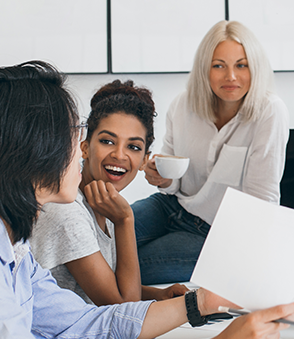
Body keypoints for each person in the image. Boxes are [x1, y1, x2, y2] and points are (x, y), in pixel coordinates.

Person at [0, 60, 294, 338]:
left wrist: (196, 305)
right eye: (76, 134)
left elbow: (82, 323)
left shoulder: (8, 248)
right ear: (28, 150)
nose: (81, 148)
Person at [133, 20, 290, 284]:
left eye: (241, 65)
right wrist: (163, 178)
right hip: (171, 206)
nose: (231, 76)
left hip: (216, 234)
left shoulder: (269, 112)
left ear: (255, 67)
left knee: (129, 266)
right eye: (219, 66)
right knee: (102, 237)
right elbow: (173, 182)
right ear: (205, 68)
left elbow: (261, 202)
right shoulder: (182, 105)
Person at [29, 80, 188, 306]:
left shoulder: (103, 202)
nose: (119, 155)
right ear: (84, 147)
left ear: (144, 160)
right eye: (107, 141)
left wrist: (159, 295)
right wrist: (125, 220)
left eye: (133, 147)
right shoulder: (68, 214)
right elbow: (124, 309)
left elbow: (112, 285)